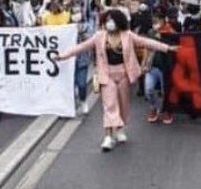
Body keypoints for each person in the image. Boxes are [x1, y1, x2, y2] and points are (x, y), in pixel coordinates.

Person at [56, 10, 177, 152]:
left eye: (112, 20)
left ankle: (119, 129)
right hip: (107, 75)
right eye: (107, 20)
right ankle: (108, 136)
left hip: (124, 74)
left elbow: (147, 42)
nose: (109, 23)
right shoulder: (99, 36)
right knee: (109, 104)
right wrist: (63, 56)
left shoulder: (128, 36)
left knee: (123, 104)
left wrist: (167, 48)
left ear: (119, 21)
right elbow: (81, 47)